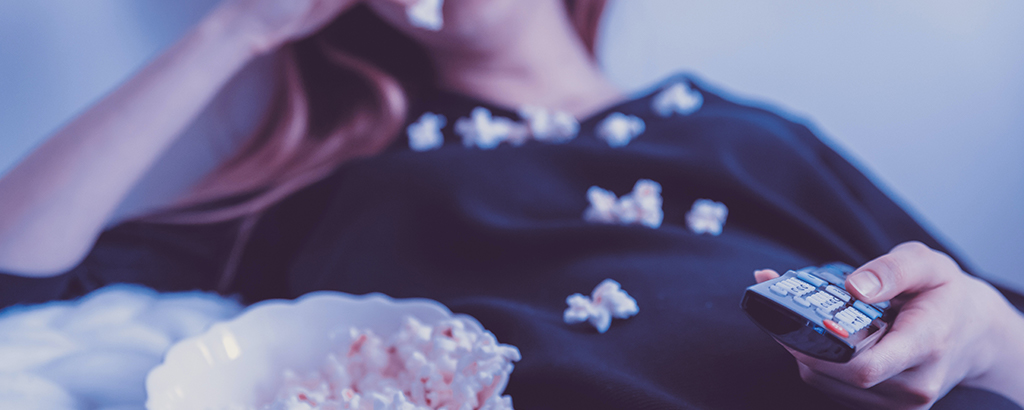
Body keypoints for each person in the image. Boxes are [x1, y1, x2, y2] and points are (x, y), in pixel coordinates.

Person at [0, 0, 1022, 408]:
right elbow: (18, 269)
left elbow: (993, 320)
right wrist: (235, 32)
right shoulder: (343, 179)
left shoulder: (747, 131)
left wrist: (984, 335)